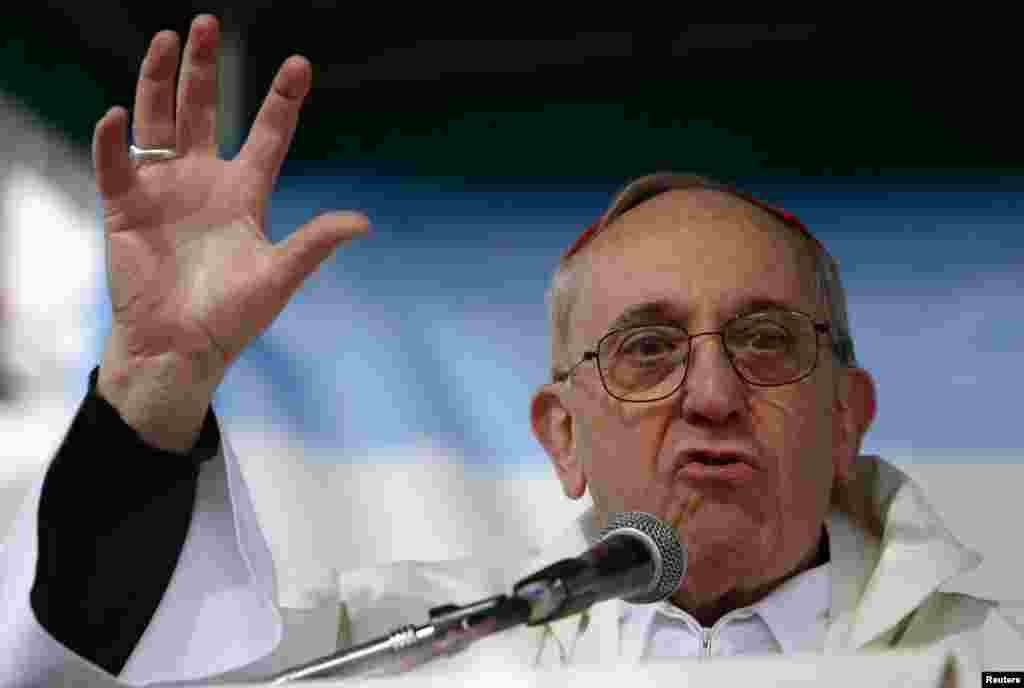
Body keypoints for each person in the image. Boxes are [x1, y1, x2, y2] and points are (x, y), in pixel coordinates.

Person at [1, 14, 1019, 687]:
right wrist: (152, 395)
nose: (710, 394)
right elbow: (100, 666)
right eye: (647, 349)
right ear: (562, 434)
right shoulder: (426, 655)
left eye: (764, 341)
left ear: (847, 415)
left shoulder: (986, 660)